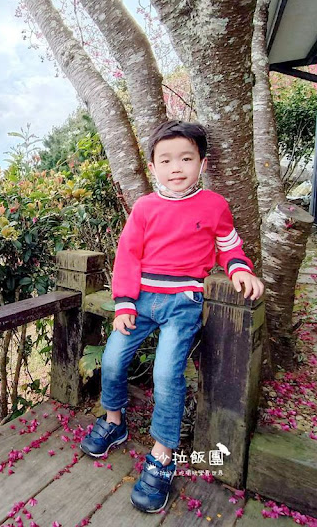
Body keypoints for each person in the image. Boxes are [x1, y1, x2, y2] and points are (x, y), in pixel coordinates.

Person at [79, 120, 264, 513]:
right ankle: (114, 421)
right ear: (153, 166)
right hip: (141, 299)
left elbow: (229, 247)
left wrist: (240, 269)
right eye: (165, 160)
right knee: (112, 358)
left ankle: (162, 455)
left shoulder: (215, 206)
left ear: (202, 162)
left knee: (166, 374)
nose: (175, 167)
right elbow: (128, 255)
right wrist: (125, 302)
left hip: (183, 302)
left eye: (185, 158)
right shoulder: (145, 207)